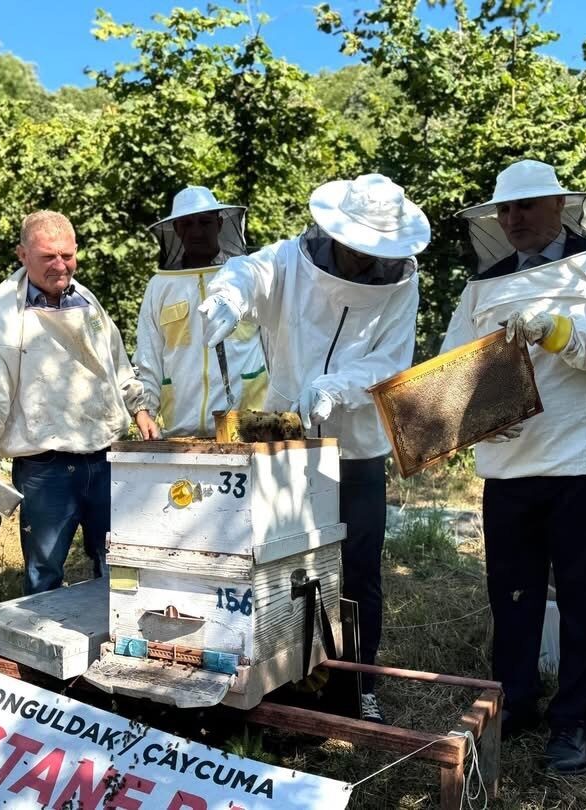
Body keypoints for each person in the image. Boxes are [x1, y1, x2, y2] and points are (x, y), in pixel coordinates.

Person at [442, 159, 586, 773]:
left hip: (585, 465)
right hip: (508, 467)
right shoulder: (482, 286)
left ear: (560, 206)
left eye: (526, 207)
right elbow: (452, 366)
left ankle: (573, 719)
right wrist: (474, 409)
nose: (513, 219)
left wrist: (562, 330)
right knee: (512, 597)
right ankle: (515, 702)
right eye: (504, 210)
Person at [198, 173, 430, 722]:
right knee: (286, 564)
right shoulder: (288, 259)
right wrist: (228, 297)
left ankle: (357, 685)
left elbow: (393, 360)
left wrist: (337, 388)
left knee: (358, 567)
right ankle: (291, 682)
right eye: (357, 245)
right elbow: (248, 270)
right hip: (286, 442)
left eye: (376, 249)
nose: (365, 259)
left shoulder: (402, 282)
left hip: (358, 446)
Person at [0, 211, 159, 595]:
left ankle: (118, 647)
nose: (60, 265)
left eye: (67, 255)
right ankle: (44, 652)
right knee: (45, 575)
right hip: (45, 469)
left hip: (105, 457)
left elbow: (115, 362)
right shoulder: (0, 319)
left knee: (119, 566)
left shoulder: (87, 301)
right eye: (47, 257)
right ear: (22, 254)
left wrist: (139, 408)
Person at [134, 186, 267, 436]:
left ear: (219, 224)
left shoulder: (245, 277)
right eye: (187, 224)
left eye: (205, 222)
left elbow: (276, 345)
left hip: (248, 426)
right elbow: (148, 355)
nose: (196, 231)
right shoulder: (160, 286)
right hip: (183, 429)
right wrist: (146, 410)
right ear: (176, 229)